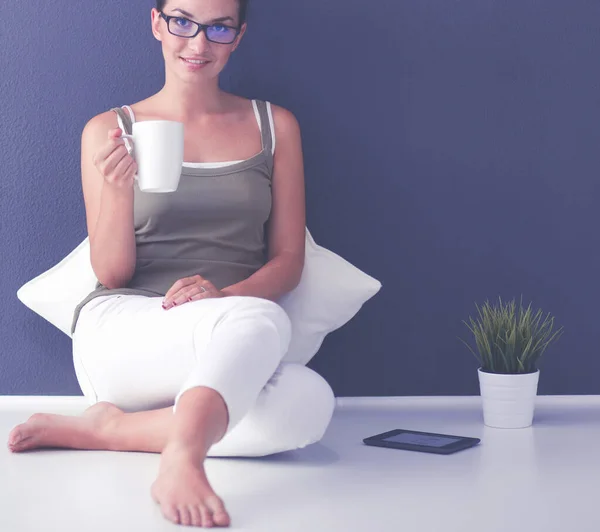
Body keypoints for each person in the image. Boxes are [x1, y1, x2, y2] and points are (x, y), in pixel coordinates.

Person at [7, 0, 311, 528]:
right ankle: (182, 459)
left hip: (224, 333)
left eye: (218, 28)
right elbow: (113, 274)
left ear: (238, 37)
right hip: (126, 328)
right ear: (156, 23)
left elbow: (288, 260)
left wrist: (225, 299)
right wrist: (118, 190)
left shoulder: (275, 125)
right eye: (182, 21)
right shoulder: (108, 129)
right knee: (266, 321)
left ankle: (110, 431)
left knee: (310, 403)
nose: (198, 43)